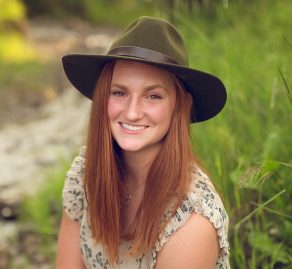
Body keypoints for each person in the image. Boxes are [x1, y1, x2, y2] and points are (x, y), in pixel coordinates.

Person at [56, 16, 230, 269]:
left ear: (181, 105)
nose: (133, 112)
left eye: (153, 96)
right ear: (104, 96)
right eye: (119, 92)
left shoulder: (192, 220)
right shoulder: (86, 172)